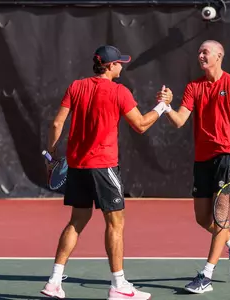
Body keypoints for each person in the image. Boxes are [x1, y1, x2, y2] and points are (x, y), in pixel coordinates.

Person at [40, 45, 173, 300]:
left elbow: (57, 122)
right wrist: (161, 106)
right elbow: (142, 125)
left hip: (77, 166)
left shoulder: (76, 86)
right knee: (116, 224)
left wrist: (51, 156)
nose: (122, 66)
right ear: (110, 66)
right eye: (120, 63)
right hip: (103, 166)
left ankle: (54, 282)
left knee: (76, 221)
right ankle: (119, 286)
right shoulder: (119, 92)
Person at [164, 40, 230, 294]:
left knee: (220, 218)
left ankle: (206, 276)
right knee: (203, 218)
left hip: (226, 156)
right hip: (202, 158)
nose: (200, 56)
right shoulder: (193, 87)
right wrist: (167, 105)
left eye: (205, 52)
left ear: (219, 56)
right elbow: (179, 120)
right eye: (199, 52)